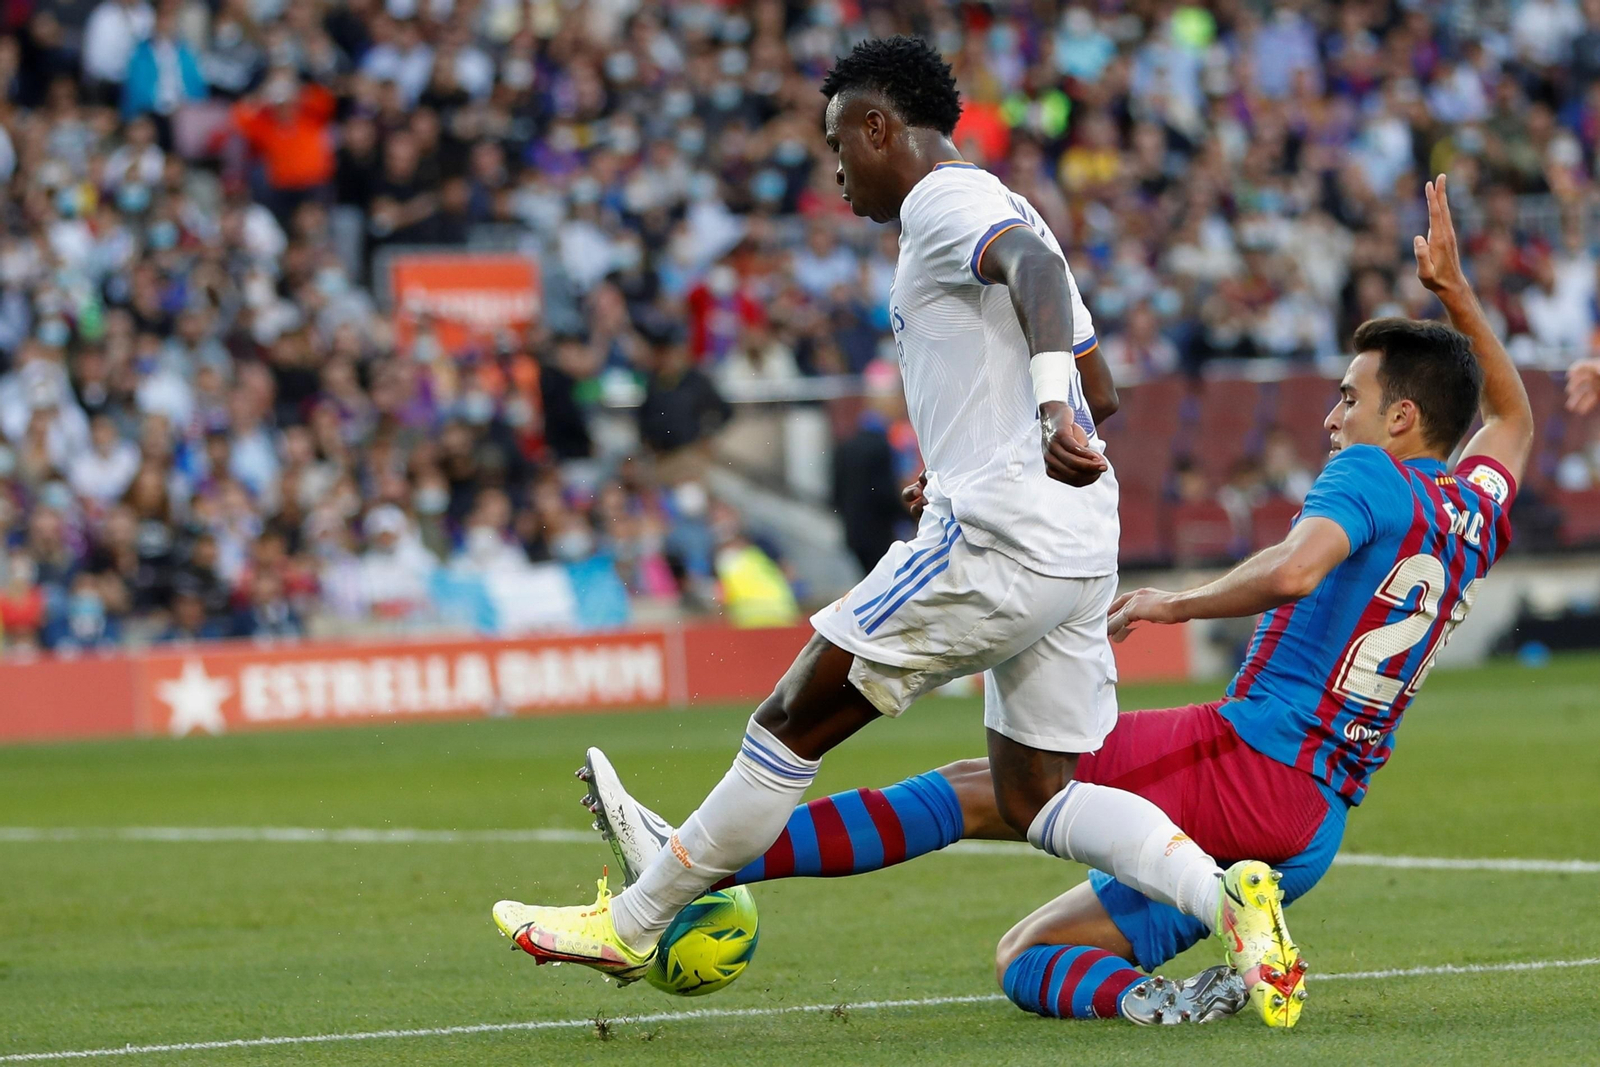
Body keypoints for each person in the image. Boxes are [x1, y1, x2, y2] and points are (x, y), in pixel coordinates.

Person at [578, 175, 1532, 1030]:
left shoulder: (1370, 474)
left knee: (984, 788)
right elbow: (1514, 415)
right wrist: (1455, 294)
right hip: (1313, 826)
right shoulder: (1473, 508)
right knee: (1027, 957)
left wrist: (1176, 604)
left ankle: (695, 859)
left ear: (1401, 418)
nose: (1332, 417)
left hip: (1252, 761)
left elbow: (1292, 570)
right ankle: (1169, 999)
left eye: (1350, 399)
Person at [492, 36, 1295, 1029]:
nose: (836, 172)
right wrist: (989, 444)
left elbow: (1038, 290)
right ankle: (1228, 897)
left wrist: (1043, 416)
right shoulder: (1006, 200)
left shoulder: (944, 202)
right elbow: (1106, 382)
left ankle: (635, 921)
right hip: (1076, 540)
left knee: (791, 717)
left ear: (880, 127)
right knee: (1037, 793)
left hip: (1000, 537)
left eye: (839, 145)